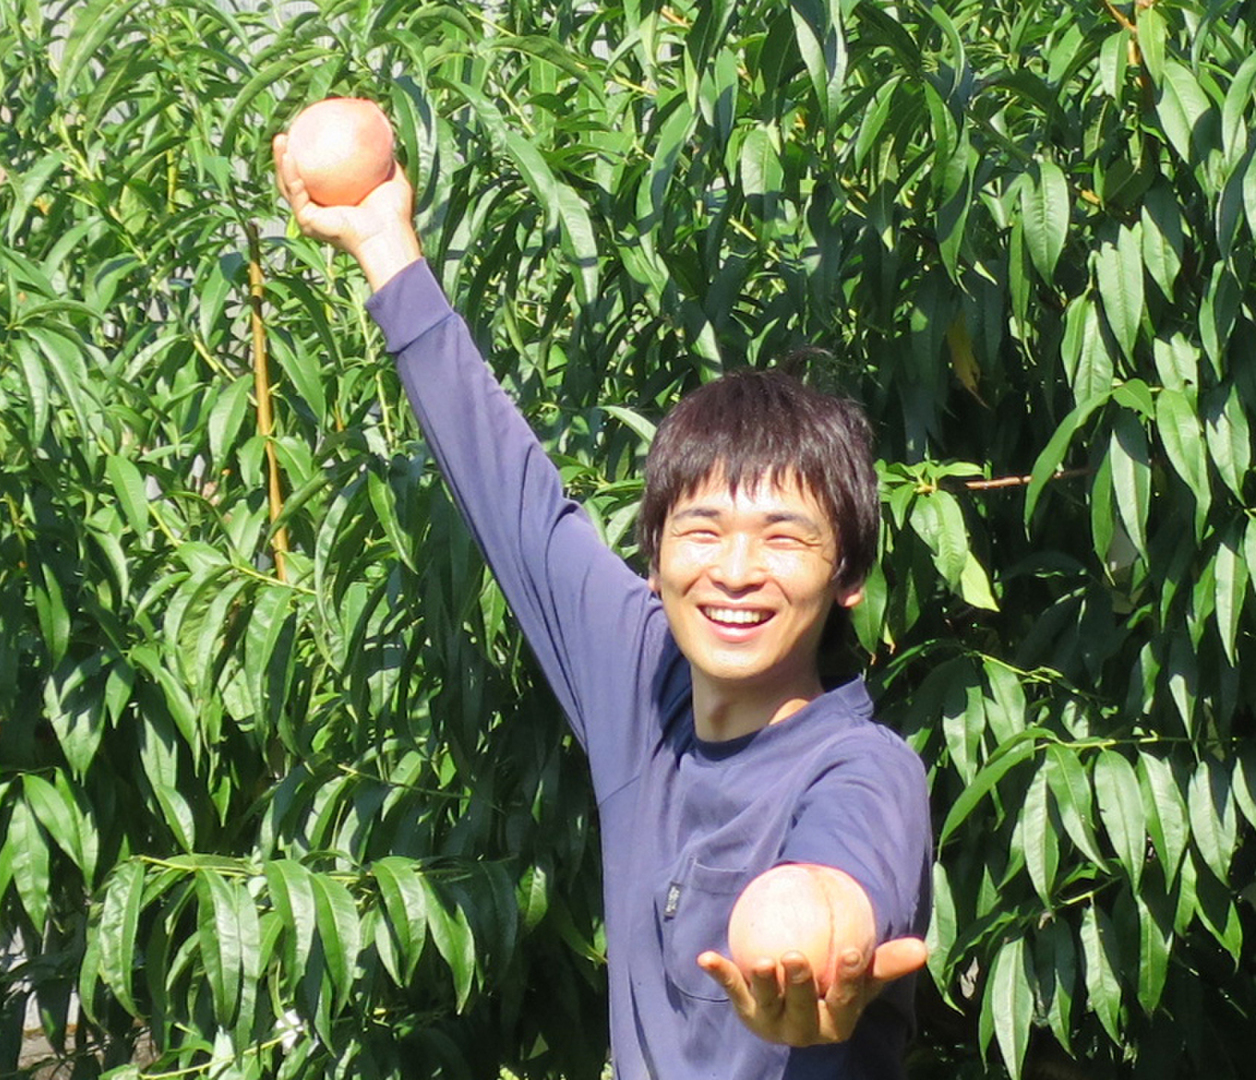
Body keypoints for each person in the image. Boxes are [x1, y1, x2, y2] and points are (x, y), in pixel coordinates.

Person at [272, 135, 932, 1079]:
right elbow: (517, 505)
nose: (735, 570)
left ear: (849, 573)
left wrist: (818, 934)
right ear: (654, 557)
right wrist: (385, 244)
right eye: (702, 531)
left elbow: (839, 875)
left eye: (784, 538)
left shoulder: (862, 768)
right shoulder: (643, 681)